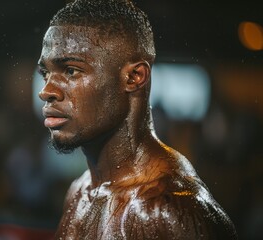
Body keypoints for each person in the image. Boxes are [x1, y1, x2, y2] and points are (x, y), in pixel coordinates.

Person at [37, 0, 238, 239]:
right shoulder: (79, 191)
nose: (46, 91)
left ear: (134, 77)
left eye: (71, 71)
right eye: (46, 73)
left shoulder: (169, 208)